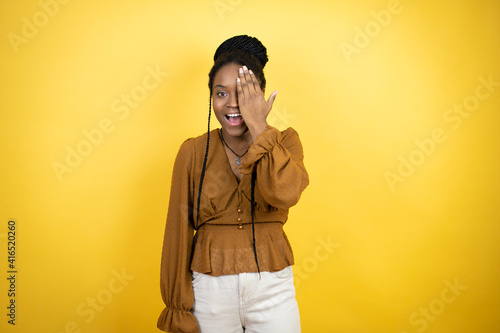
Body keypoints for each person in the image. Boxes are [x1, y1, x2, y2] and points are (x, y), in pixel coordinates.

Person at [157, 35, 309, 333]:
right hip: (208, 291)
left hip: (273, 290)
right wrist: (178, 307)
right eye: (221, 93)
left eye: (244, 93)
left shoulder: (285, 142)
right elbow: (177, 232)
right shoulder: (192, 152)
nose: (232, 104)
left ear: (260, 95)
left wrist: (259, 127)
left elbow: (284, 193)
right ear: (211, 98)